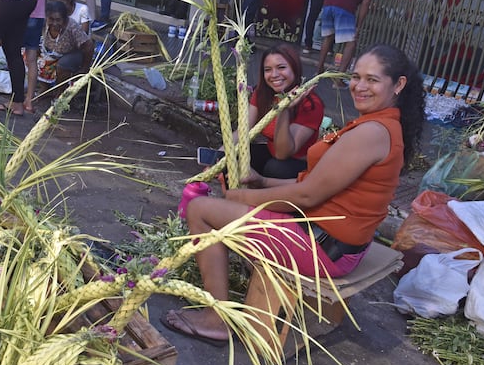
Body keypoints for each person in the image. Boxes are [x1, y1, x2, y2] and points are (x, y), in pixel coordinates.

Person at [162, 44, 425, 345]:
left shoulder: (371, 132)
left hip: (323, 249)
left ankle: (217, 319)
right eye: (356, 77)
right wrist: (262, 182)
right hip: (333, 240)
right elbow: (315, 184)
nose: (360, 86)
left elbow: (307, 197)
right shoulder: (380, 126)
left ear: (398, 85)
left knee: (200, 209)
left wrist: (243, 197)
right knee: (239, 195)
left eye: (372, 80)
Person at [238, 44, 324, 179]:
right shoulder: (262, 93)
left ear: (294, 68)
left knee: (275, 168)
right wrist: (218, 157)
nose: (274, 75)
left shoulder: (310, 103)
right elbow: (242, 131)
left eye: (281, 68)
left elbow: (283, 153)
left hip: (296, 163)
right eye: (268, 70)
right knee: (236, 156)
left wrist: (283, 109)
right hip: (271, 153)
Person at [316, 0, 390, 84]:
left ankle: (319, 69)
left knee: (328, 37)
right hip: (344, 5)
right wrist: (358, 26)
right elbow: (366, 2)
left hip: (329, 0)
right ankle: (339, 79)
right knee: (351, 43)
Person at [23, 0, 51, 114]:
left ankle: (17, 98)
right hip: (39, 17)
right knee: (31, 59)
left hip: (26, 16)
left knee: (14, 56)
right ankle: (28, 101)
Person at [41, 0, 94, 90]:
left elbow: (89, 45)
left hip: (72, 53)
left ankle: (59, 93)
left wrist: (85, 68)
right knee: (30, 56)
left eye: (58, 20)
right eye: (51, 19)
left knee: (62, 65)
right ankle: (45, 88)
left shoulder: (72, 26)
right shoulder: (44, 23)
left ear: (64, 19)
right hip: (52, 52)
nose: (54, 23)